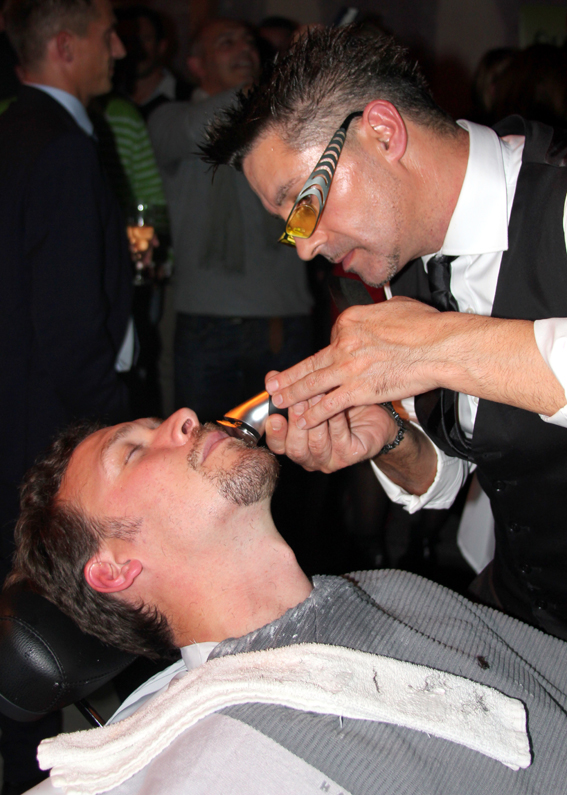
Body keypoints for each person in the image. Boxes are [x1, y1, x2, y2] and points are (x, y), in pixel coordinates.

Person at [201, 25, 567, 641]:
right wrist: (388, 439)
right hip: (522, 618)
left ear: (382, 132)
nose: (305, 247)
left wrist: (435, 347)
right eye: (290, 227)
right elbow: (450, 474)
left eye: (304, 205)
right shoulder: (405, 261)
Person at [6, 409, 567, 795]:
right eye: (131, 453)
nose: (184, 417)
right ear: (113, 569)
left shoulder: (395, 592)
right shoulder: (223, 765)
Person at [0, 0, 133, 789]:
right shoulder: (59, 148)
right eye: (104, 33)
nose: (118, 47)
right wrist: (115, 433)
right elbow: (69, 329)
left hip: (16, 411)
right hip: (45, 427)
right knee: (40, 620)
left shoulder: (16, 130)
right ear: (62, 46)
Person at [147, 18, 313, 422]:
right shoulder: (169, 117)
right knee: (201, 449)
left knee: (290, 451)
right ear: (196, 65)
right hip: (206, 326)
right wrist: (281, 82)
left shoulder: (285, 128)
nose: (245, 49)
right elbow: (198, 128)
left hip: (283, 320)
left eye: (249, 42)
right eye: (227, 42)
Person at [113, 5, 192, 121]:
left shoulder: (187, 98)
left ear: (161, 46)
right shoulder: (108, 97)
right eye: (130, 40)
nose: (137, 47)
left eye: (146, 39)